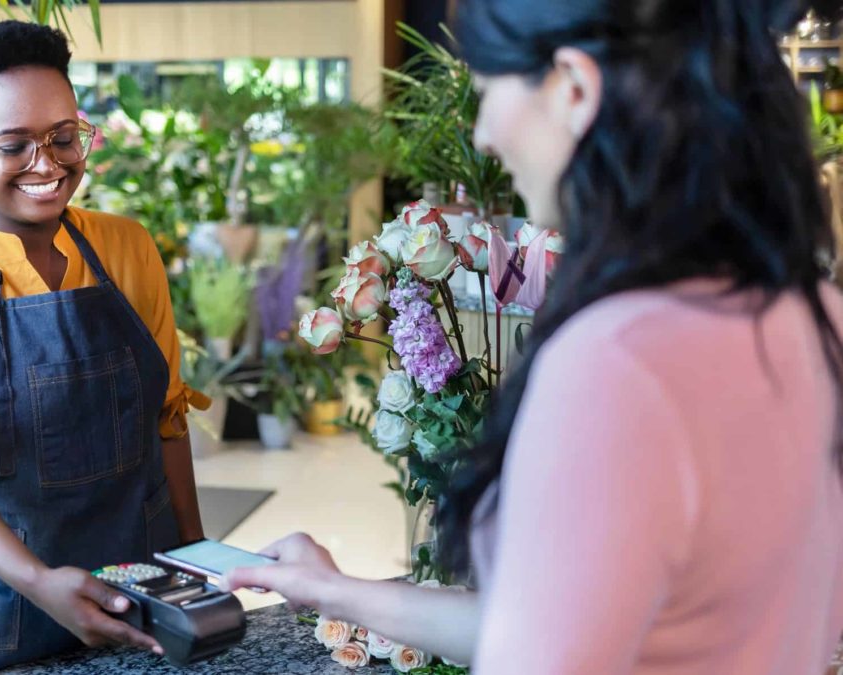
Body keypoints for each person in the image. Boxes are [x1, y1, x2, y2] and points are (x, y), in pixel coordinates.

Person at [224, 0, 843, 672]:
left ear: (573, 89)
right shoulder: (819, 318)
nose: (483, 135)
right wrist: (331, 589)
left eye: (488, 93)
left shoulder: (615, 359)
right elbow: (555, 624)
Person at [0, 21, 208, 674]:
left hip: (132, 599)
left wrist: (195, 556)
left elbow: (167, 421)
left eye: (63, 137)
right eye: (14, 146)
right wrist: (37, 579)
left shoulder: (127, 249)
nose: (49, 164)